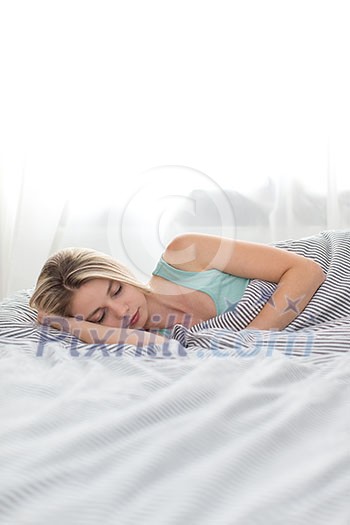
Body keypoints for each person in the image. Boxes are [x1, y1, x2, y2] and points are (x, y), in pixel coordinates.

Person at [29, 232, 326, 347]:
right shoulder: (153, 340)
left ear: (121, 272)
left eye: (117, 291)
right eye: (99, 317)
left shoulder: (185, 252)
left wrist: (250, 337)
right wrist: (64, 323)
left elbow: (306, 270)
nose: (122, 312)